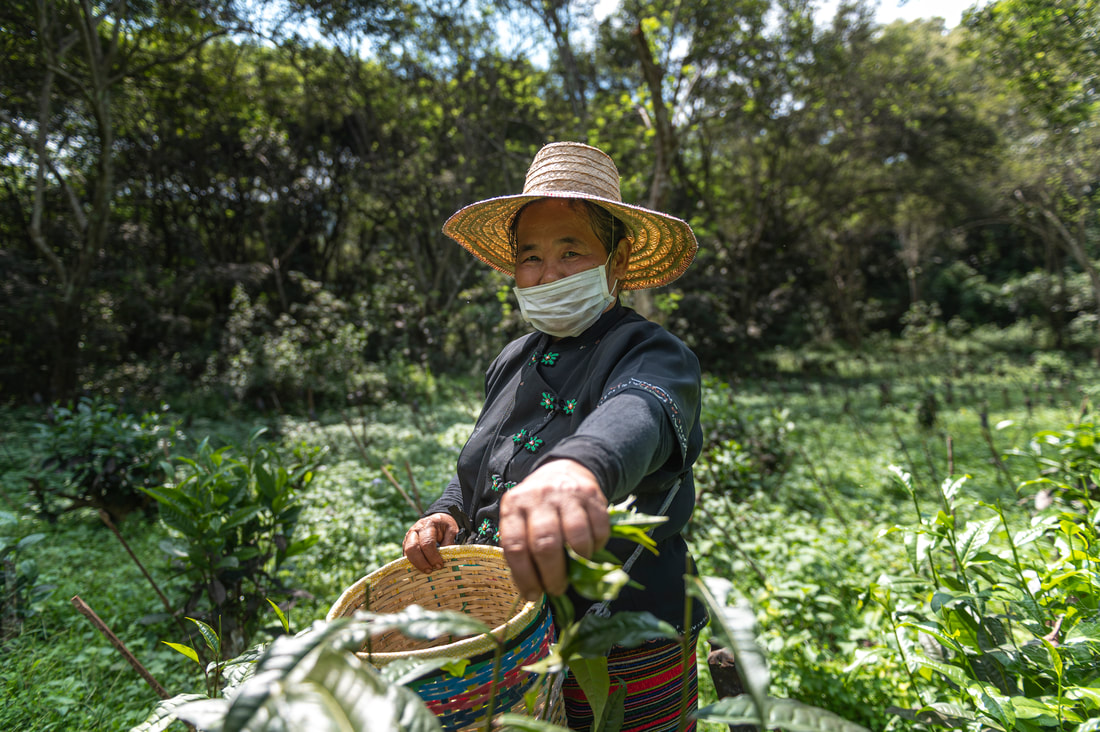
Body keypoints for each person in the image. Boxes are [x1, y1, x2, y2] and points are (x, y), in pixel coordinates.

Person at [402, 141, 707, 731]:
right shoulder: (513, 358)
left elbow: (639, 412)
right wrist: (445, 512)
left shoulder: (652, 352)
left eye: (572, 251)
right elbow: (485, 462)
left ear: (616, 263)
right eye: (531, 256)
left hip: (628, 641)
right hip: (515, 638)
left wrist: (579, 467)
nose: (548, 273)